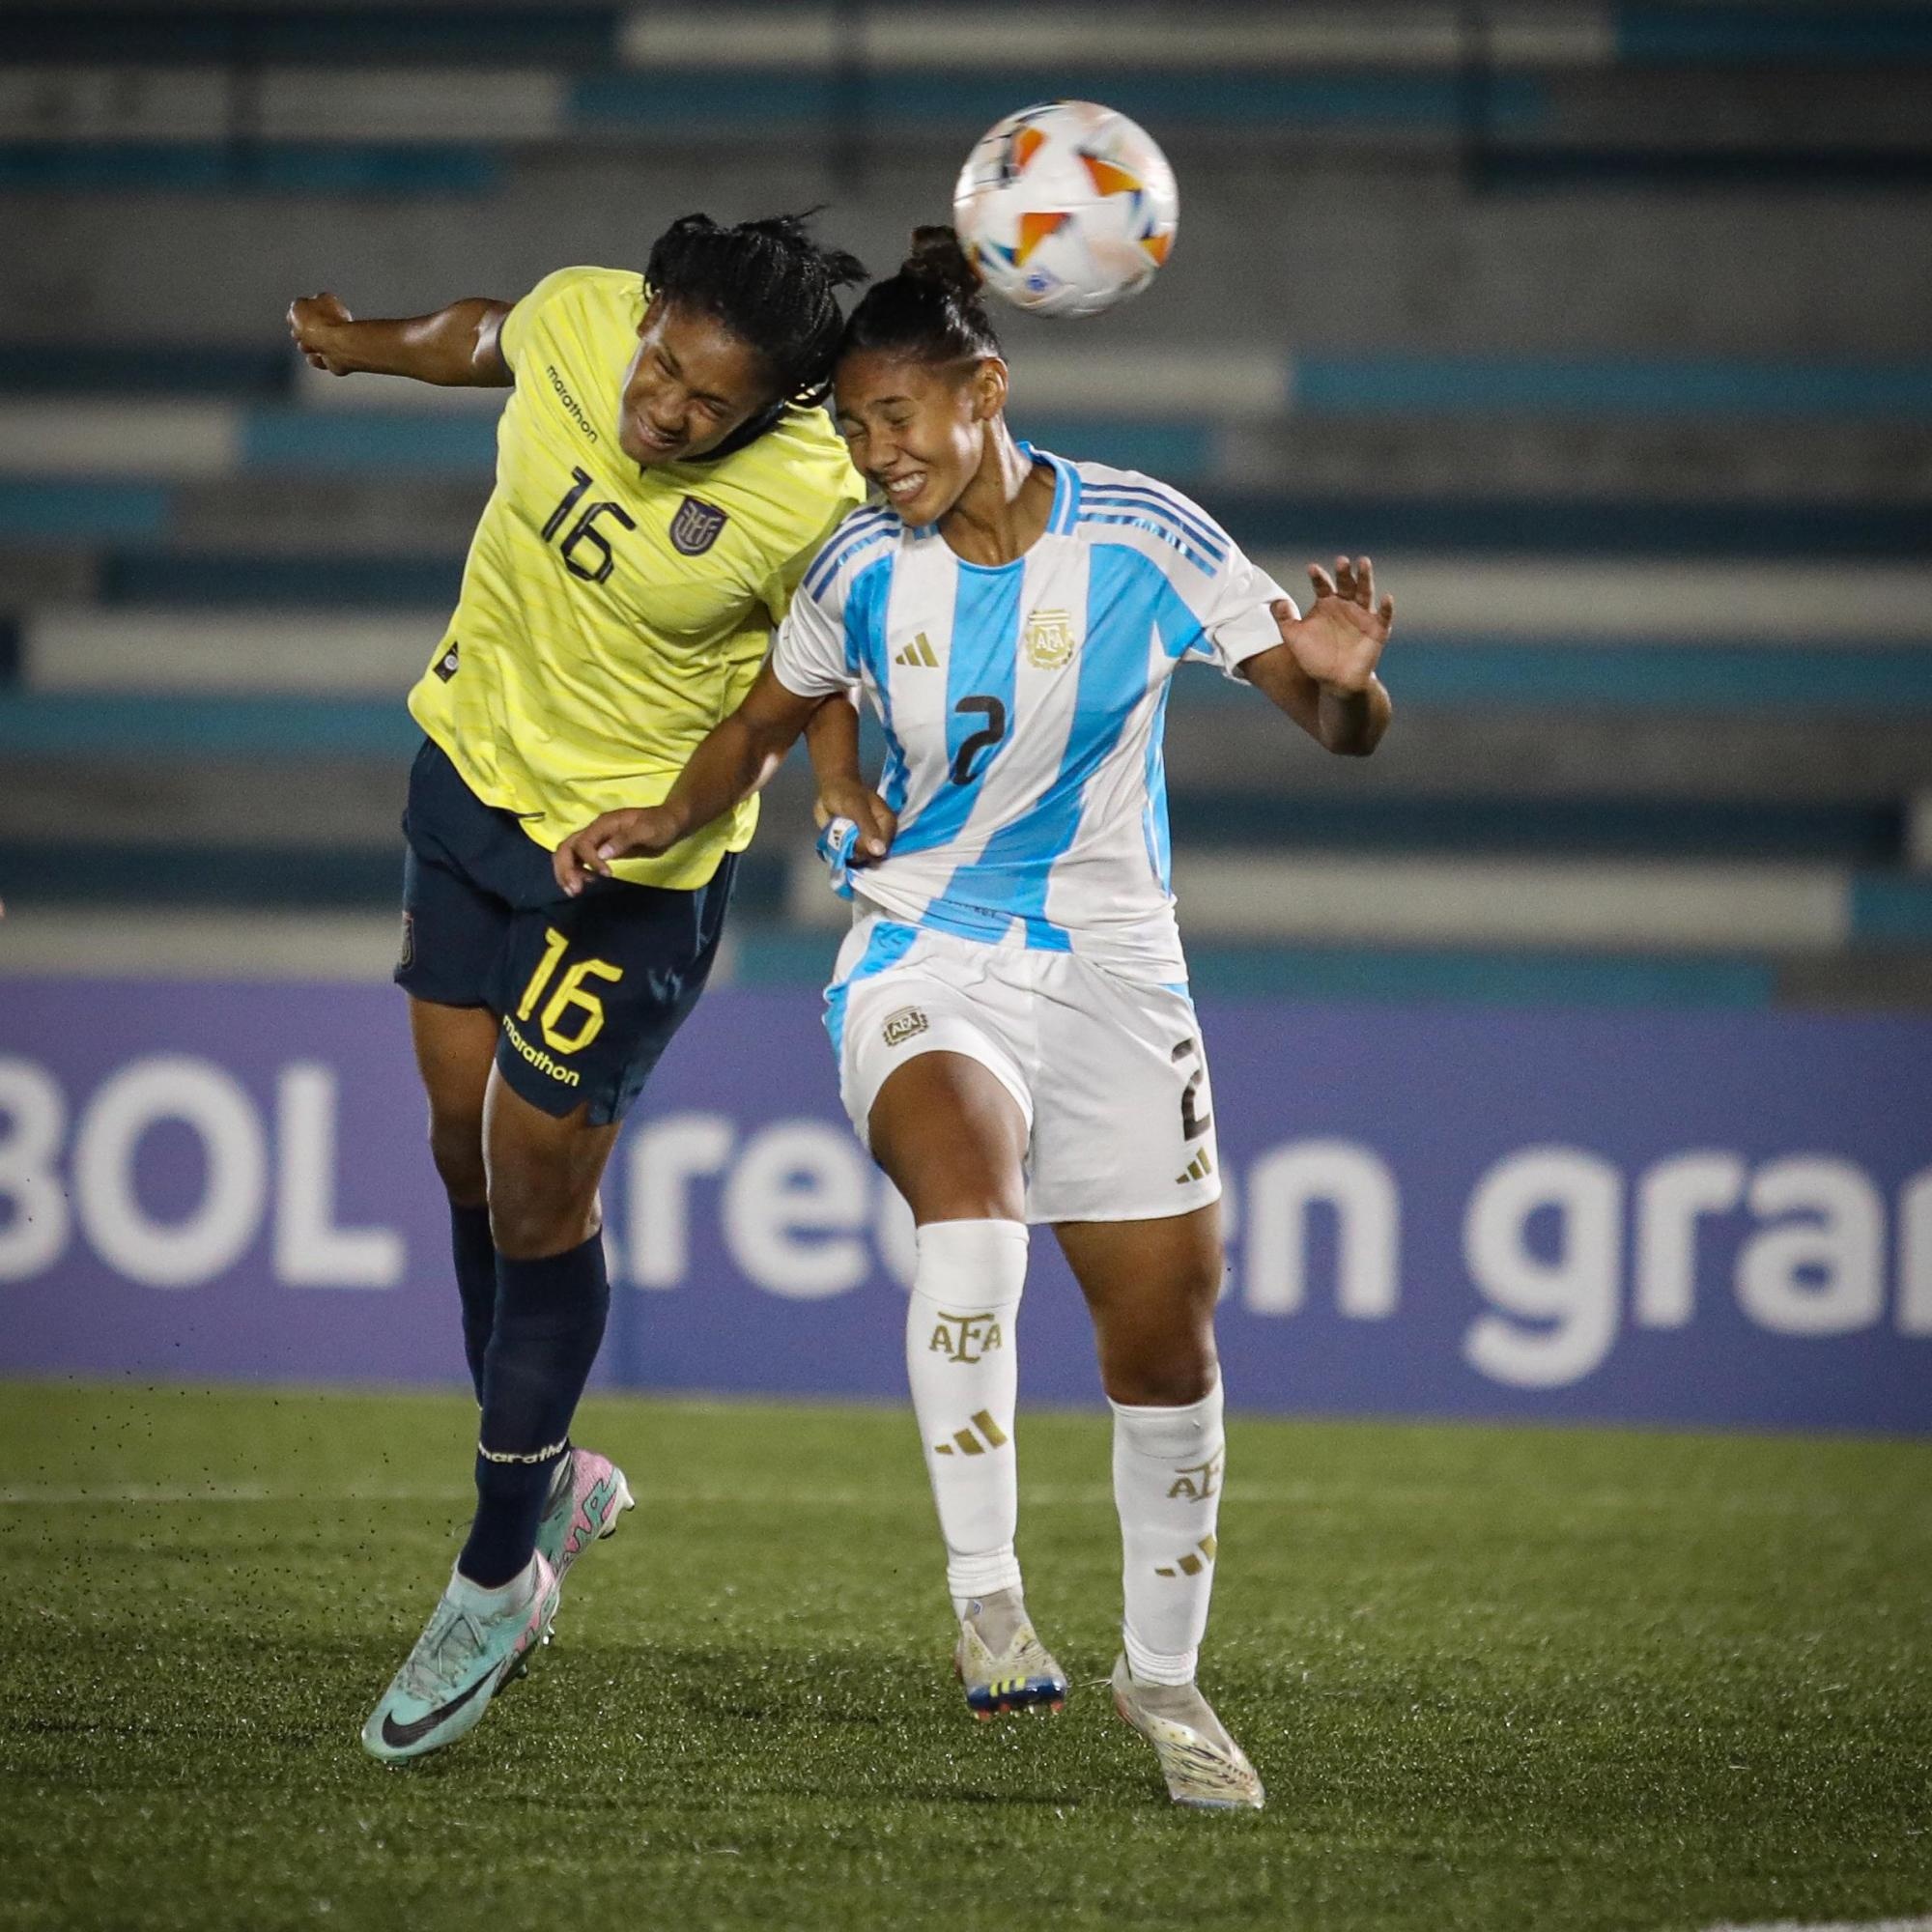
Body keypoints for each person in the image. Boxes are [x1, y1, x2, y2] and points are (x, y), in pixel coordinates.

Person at [553, 229, 1394, 1811]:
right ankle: (987, 1599)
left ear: (984, 392)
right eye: (852, 427)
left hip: (1119, 973)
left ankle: (1165, 1680)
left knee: (1167, 1347)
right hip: (925, 949)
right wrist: (657, 819)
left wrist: (1346, 684)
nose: (876, 455)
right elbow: (764, 722)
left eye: (896, 418)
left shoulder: (1144, 537)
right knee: (972, 1205)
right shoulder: (860, 571)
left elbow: (1333, 722)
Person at [286, 212, 869, 1764]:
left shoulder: (810, 494)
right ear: (651, 313)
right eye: (663, 369)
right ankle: (544, 1470)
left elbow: (816, 666)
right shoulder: (585, 316)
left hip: (626, 874)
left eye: (710, 406)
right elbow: (487, 335)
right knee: (458, 1149)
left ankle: (497, 1576)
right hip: (468, 787)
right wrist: (361, 343)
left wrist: (831, 786)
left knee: (539, 1188)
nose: (665, 411)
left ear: (772, 409)